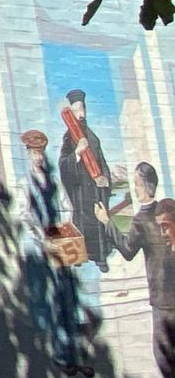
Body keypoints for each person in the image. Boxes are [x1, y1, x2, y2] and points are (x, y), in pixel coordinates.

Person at [21, 130, 92, 378]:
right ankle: (63, 356)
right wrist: (41, 235)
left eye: (40, 153)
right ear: (28, 154)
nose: (38, 158)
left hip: (61, 240)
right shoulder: (26, 183)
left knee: (70, 298)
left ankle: (78, 355)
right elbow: (24, 215)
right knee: (55, 302)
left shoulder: (52, 181)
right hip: (45, 246)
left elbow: (66, 205)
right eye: (34, 153)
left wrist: (67, 229)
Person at [105, 162, 175, 378]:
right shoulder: (166, 213)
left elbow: (126, 250)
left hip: (162, 301)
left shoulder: (141, 220)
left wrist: (107, 222)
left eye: (136, 184)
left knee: (164, 357)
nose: (134, 188)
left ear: (145, 187)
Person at [60, 90, 117, 271]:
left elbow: (103, 163)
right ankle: (77, 256)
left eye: (82, 109)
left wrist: (105, 180)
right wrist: (76, 152)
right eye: (76, 110)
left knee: (98, 223)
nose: (81, 114)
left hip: (95, 191)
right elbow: (63, 164)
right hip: (80, 190)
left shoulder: (93, 138)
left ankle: (100, 257)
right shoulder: (69, 137)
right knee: (81, 223)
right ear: (71, 112)